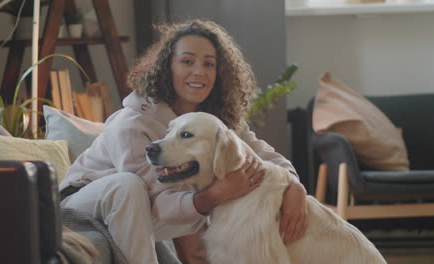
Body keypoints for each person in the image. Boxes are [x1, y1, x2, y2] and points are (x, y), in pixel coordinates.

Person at [59, 19, 308, 264]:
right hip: (81, 207)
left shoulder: (215, 122)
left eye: (209, 64)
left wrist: (294, 186)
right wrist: (217, 193)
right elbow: (157, 203)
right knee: (129, 185)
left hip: (145, 212)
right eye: (187, 61)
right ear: (168, 67)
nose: (199, 71)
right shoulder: (132, 123)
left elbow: (266, 156)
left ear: (219, 72)